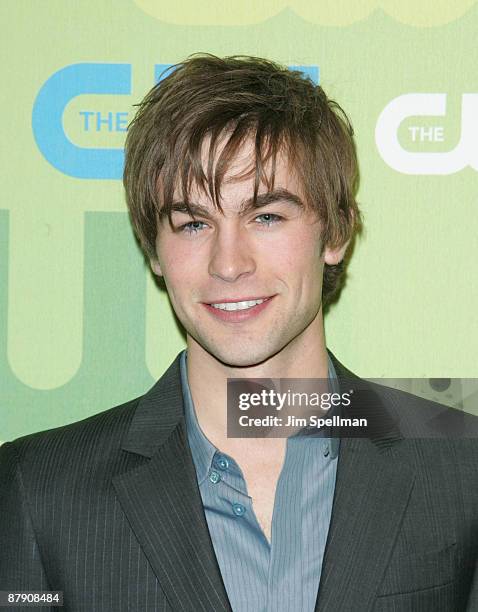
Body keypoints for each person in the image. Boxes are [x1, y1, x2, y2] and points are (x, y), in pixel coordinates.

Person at [0, 54, 476, 612]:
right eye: (194, 224)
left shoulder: (461, 466)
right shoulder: (38, 488)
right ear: (153, 249)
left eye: (266, 216)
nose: (228, 263)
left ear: (336, 232)